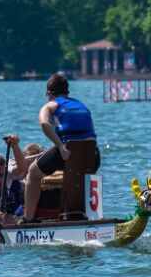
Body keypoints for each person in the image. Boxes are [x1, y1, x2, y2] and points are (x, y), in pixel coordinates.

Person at [21, 73, 100, 223]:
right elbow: (91, 132)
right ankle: (81, 214)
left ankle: (29, 219)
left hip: (68, 150)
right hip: (93, 155)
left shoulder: (50, 105)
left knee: (33, 172)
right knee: (76, 175)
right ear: (68, 93)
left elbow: (45, 124)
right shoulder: (83, 105)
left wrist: (59, 145)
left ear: (49, 94)